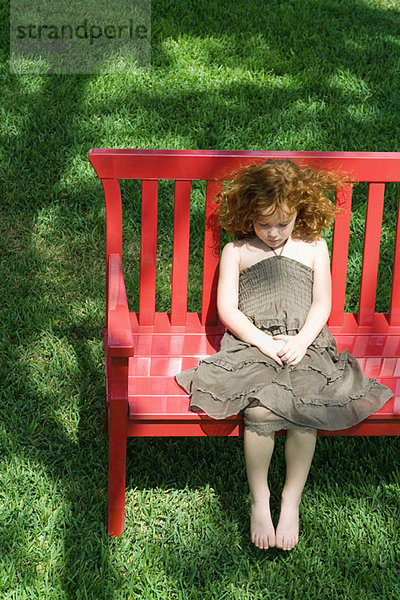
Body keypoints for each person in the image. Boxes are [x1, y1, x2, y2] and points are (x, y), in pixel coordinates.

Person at [175, 159, 393, 551]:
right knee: (258, 411)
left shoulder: (314, 248)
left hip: (305, 345)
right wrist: (262, 341)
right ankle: (261, 501)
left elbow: (321, 303)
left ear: (299, 213)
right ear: (248, 216)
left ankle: (290, 500)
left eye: (283, 223)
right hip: (251, 345)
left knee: (304, 410)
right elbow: (228, 309)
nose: (274, 233)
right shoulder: (237, 251)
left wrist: (302, 340)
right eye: (264, 224)